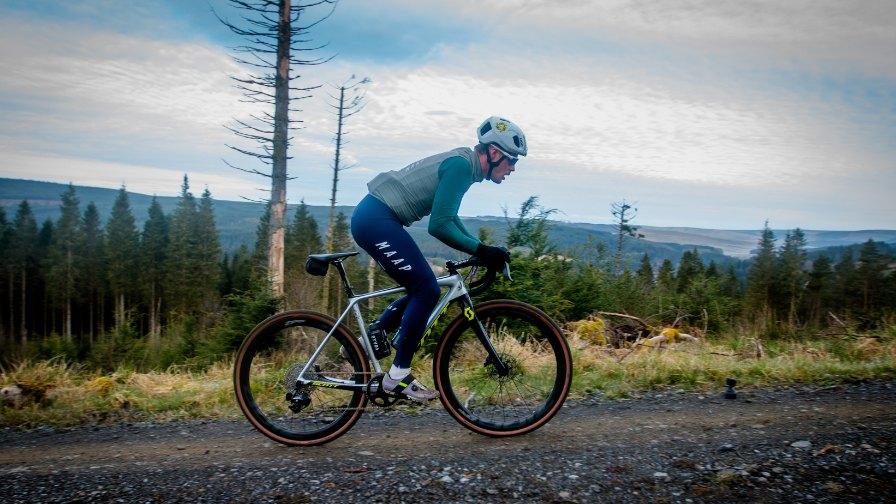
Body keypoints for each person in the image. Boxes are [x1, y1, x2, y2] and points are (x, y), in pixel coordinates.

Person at [350, 116, 527, 401]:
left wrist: (480, 248)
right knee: (427, 289)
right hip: (376, 220)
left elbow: (450, 217)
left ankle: (363, 343)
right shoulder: (461, 167)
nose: (514, 168)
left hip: (375, 217)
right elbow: (440, 225)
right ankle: (398, 376)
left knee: (423, 287)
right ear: (495, 153)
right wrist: (483, 251)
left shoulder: (464, 164)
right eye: (512, 160)